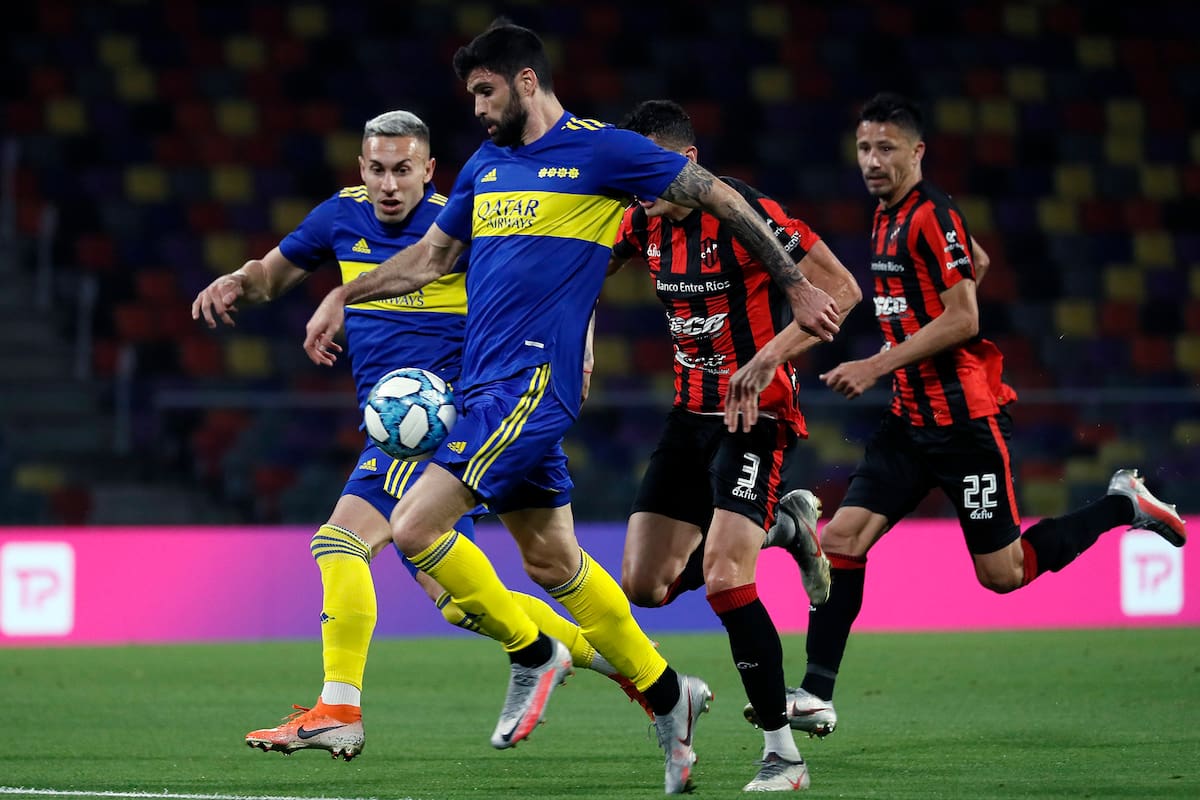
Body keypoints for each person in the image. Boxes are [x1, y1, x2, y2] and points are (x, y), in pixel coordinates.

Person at [302, 20, 841, 794]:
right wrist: (344, 294)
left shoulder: (603, 151)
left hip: (528, 385)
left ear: (526, 82)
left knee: (416, 526)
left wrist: (791, 282)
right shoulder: (489, 166)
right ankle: (669, 696)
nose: (478, 110)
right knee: (553, 562)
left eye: (486, 91)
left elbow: (716, 193)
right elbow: (432, 258)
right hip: (480, 389)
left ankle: (532, 652)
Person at [190, 110, 641, 762]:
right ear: (361, 170)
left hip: (447, 418)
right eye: (377, 169)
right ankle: (634, 672)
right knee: (457, 603)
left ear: (429, 171)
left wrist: (586, 348)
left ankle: (340, 707)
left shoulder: (463, 220)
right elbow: (272, 274)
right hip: (400, 426)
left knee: (341, 540)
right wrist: (236, 280)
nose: (389, 183)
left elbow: (559, 280)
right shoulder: (340, 217)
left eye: (403, 169)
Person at [740, 92, 1187, 738]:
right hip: (908, 423)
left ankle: (1124, 504)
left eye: (886, 148)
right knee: (840, 541)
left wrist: (876, 364)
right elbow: (970, 264)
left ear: (917, 152)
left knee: (1001, 576)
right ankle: (815, 693)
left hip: (965, 425)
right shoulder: (885, 216)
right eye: (864, 147)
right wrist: (941, 297)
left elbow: (966, 316)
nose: (872, 160)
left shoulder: (930, 213)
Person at [605, 99, 861, 792]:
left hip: (758, 416)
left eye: (647, 171)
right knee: (645, 585)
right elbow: (579, 276)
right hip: (690, 415)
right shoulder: (641, 220)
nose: (637, 188)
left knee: (723, 575)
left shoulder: (746, 214)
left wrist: (768, 358)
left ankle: (784, 754)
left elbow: (840, 288)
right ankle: (785, 527)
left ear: (686, 163)